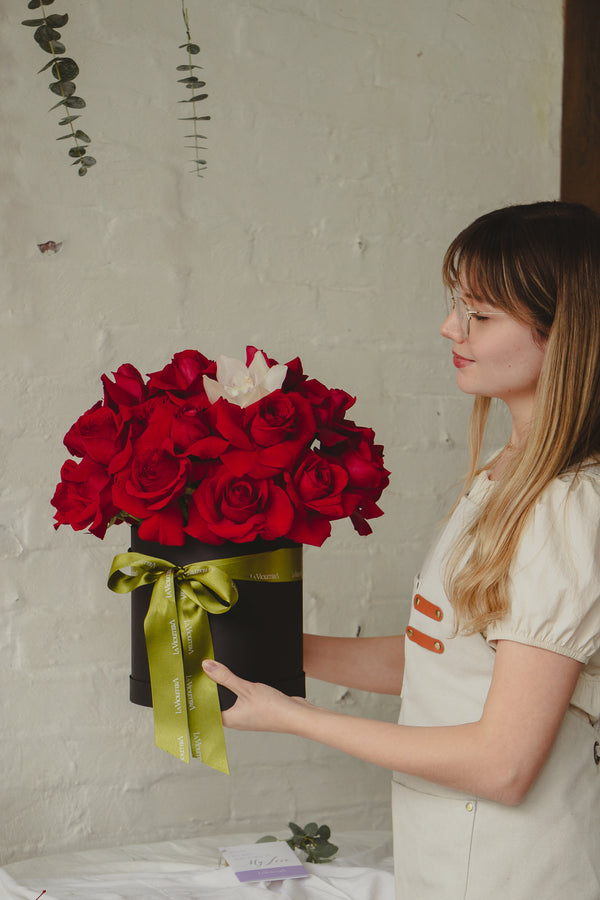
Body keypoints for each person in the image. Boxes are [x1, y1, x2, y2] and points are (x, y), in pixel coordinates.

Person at [202, 201, 600, 899]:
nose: (452, 327)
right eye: (458, 306)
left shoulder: (566, 506)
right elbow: (444, 654)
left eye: (480, 314)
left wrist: (294, 717)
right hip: (451, 854)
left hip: (514, 870)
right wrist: (263, 646)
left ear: (563, 333)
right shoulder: (506, 475)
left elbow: (502, 764)